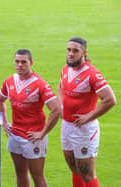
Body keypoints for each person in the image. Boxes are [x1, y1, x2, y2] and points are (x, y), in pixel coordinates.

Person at [0, 49, 61, 187]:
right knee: (20, 172)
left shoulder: (40, 84)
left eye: (23, 62)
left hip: (33, 137)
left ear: (31, 63)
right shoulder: (9, 81)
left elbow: (56, 109)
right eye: (17, 61)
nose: (20, 65)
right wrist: (4, 122)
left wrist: (43, 133)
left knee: (37, 176)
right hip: (15, 135)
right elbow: (0, 100)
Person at [58, 37, 116, 187]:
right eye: (69, 50)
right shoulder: (66, 69)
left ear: (84, 52)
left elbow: (110, 99)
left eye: (75, 51)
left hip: (84, 130)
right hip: (67, 126)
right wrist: (61, 106)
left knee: (87, 173)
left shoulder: (92, 74)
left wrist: (89, 116)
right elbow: (60, 86)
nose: (71, 54)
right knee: (74, 169)